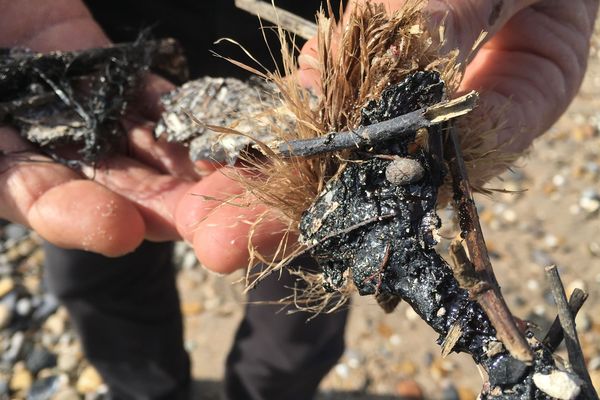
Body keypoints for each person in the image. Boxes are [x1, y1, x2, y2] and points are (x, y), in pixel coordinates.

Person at [0, 0, 597, 399]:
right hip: (104, 44)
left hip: (313, 76)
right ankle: (144, 388)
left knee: (291, 312)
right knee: (100, 260)